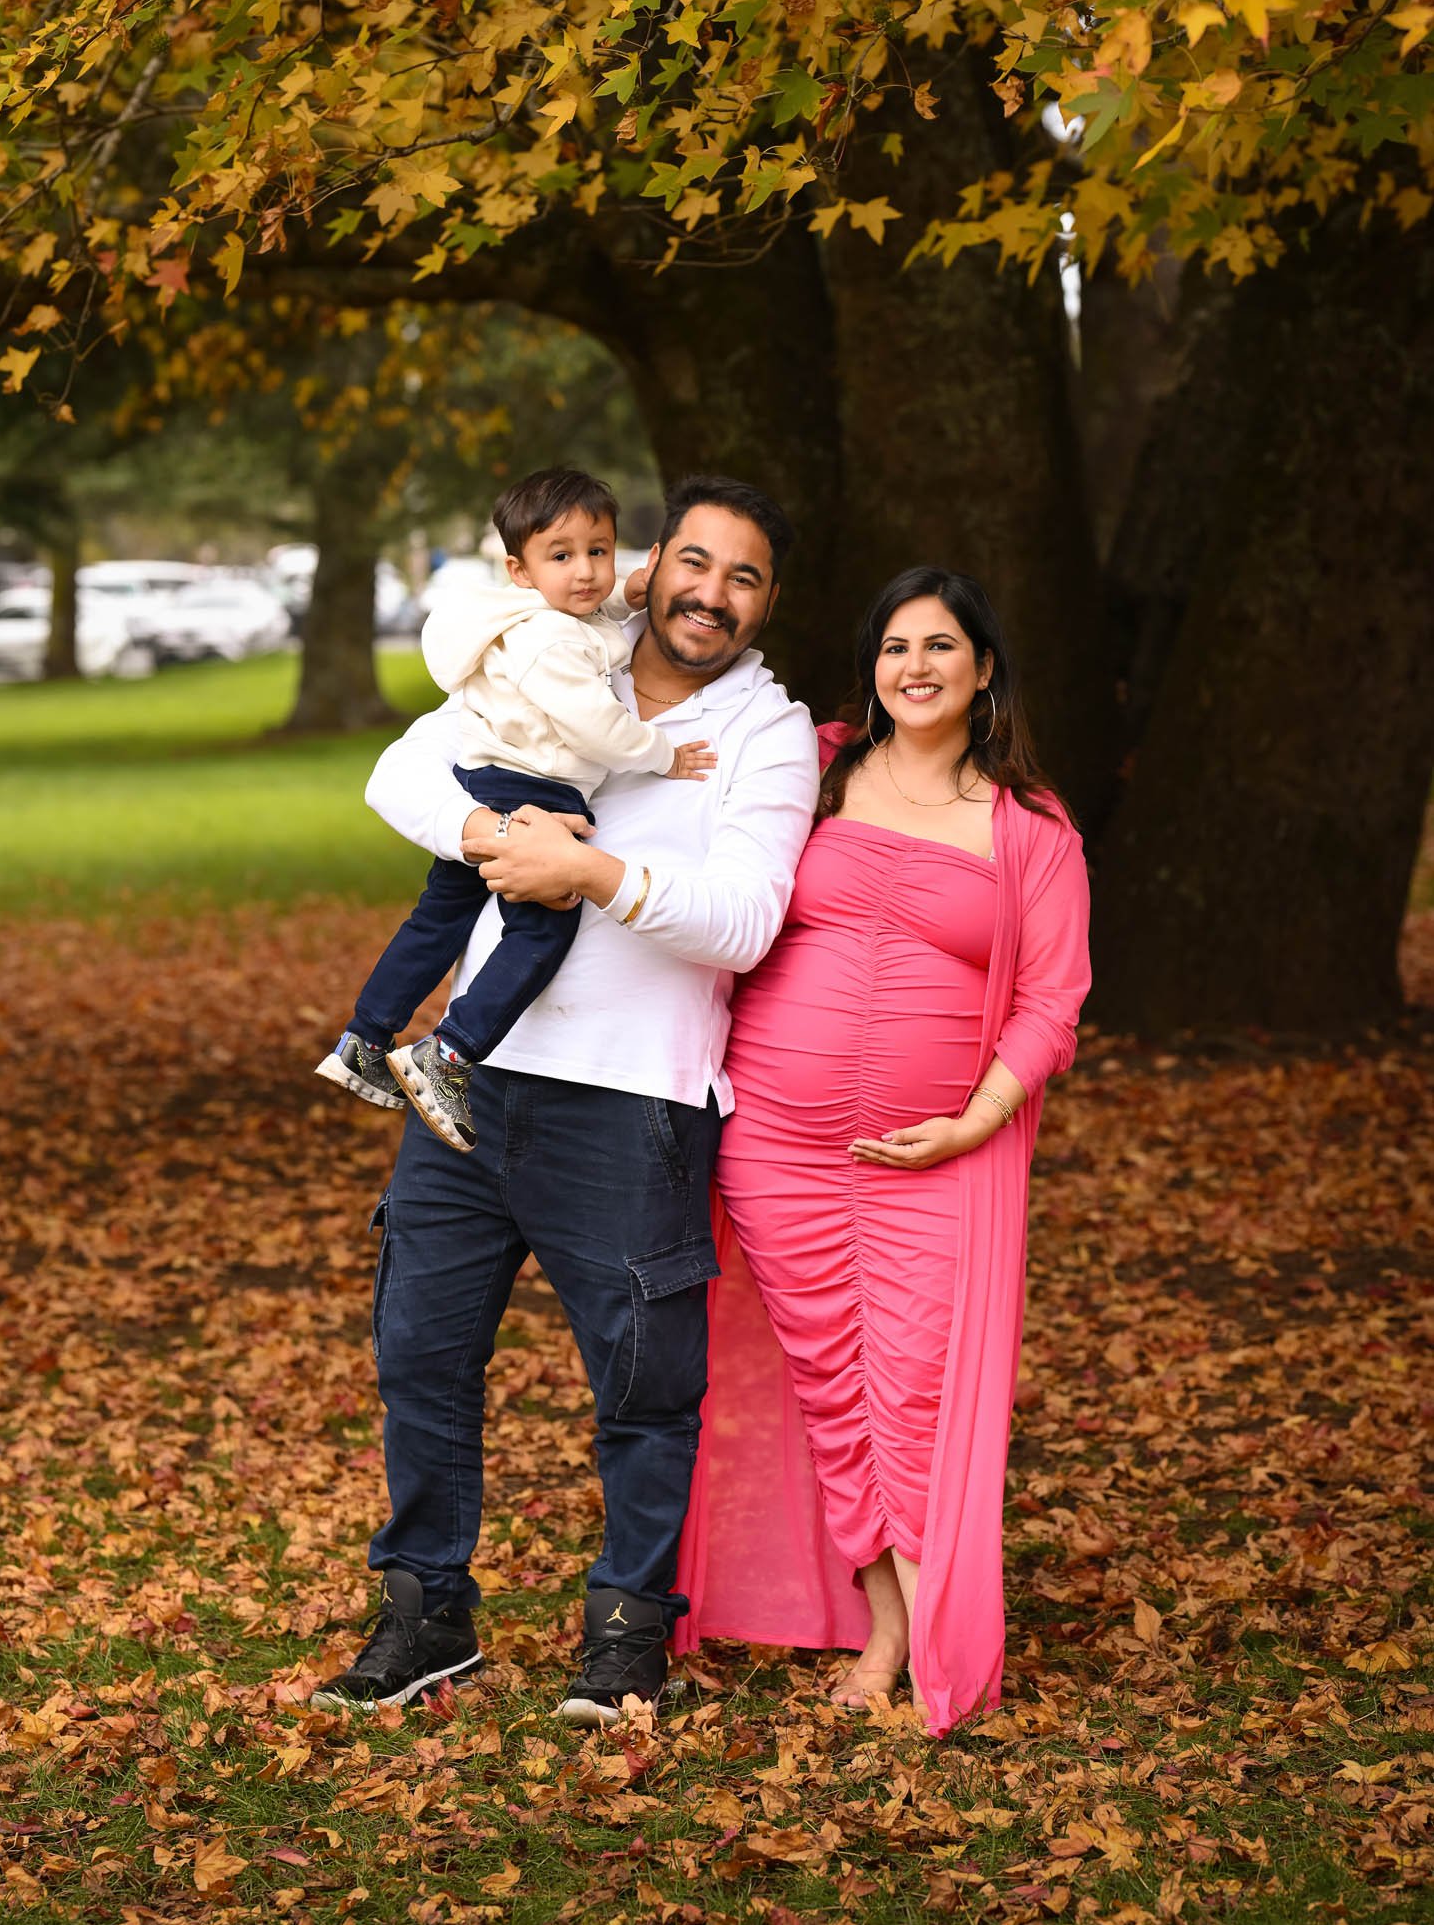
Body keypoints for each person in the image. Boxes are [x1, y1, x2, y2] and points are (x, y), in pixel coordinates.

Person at [311, 478, 819, 1723]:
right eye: (694, 562)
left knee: (644, 1388)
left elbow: (745, 922)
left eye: (744, 576)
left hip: (635, 1105)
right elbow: (398, 776)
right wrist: (497, 835)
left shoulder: (769, 731)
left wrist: (587, 868)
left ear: (766, 600)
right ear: (654, 564)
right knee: (419, 1356)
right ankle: (425, 1614)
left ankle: (626, 1635)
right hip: (469, 1081)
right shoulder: (549, 653)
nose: (711, 593)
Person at [672, 567, 1091, 1736]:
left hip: (935, 1156)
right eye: (896, 645)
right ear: (873, 667)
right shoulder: (813, 766)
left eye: (942, 647)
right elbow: (687, 805)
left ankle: (922, 1628)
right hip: (778, 1146)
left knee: (912, 1387)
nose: (916, 666)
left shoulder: (1033, 831)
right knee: (828, 1387)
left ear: (983, 670)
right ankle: (887, 1622)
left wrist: (975, 1118)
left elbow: (1051, 1001)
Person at [316, 468, 713, 1152]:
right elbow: (594, 725)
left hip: (485, 783)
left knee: (437, 920)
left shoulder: (540, 617)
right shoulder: (548, 643)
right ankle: (450, 1052)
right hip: (537, 795)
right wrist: (661, 754)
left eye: (599, 550)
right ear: (519, 569)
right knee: (541, 932)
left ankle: (364, 1037)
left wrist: (628, 591)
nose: (586, 572)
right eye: (561, 556)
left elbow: (594, 610)